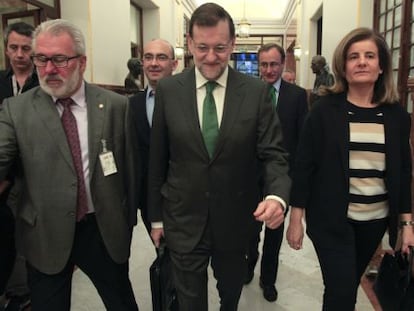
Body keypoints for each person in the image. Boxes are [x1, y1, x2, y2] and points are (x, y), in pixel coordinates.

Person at [147, 3, 291, 311]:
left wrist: (277, 197)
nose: (211, 57)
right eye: (202, 47)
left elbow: (273, 153)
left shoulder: (254, 92)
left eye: (220, 48)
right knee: (189, 301)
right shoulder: (169, 90)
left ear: (233, 44)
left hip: (236, 221)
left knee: (231, 294)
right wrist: (156, 218)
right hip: (183, 218)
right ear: (188, 43)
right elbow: (157, 159)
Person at [0, 19, 140, 311]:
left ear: (82, 61)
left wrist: (128, 220)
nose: (49, 69)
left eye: (60, 59)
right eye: (42, 59)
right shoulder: (16, 110)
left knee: (122, 304)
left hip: (102, 229)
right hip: (45, 233)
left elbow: (130, 170)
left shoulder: (115, 106)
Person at [286, 27, 414, 311]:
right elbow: (304, 165)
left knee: (344, 286)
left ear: (381, 66)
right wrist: (296, 219)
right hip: (331, 221)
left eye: (370, 56)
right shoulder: (323, 111)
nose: (362, 61)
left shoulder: (396, 116)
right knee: (342, 292)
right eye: (353, 56)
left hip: (375, 221)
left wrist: (406, 225)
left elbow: (403, 173)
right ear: (343, 66)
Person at [245, 43, 308, 302]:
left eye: (274, 64)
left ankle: (268, 279)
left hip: (281, 177)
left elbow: (303, 138)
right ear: (258, 66)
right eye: (264, 64)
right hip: (250, 175)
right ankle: (249, 264)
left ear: (283, 65)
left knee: (274, 231)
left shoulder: (297, 96)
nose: (269, 70)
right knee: (249, 230)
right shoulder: (248, 93)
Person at [0, 21, 39, 311]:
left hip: (36, 173)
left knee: (31, 235)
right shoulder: (1, 83)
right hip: (5, 176)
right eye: (13, 47)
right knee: (7, 234)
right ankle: (13, 290)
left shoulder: (45, 81)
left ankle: (25, 291)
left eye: (26, 48)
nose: (19, 54)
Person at [129, 39, 177, 234]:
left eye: (161, 57)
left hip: (184, 198)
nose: (154, 63)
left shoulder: (189, 102)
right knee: (162, 252)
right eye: (148, 57)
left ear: (174, 64)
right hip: (148, 197)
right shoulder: (132, 105)